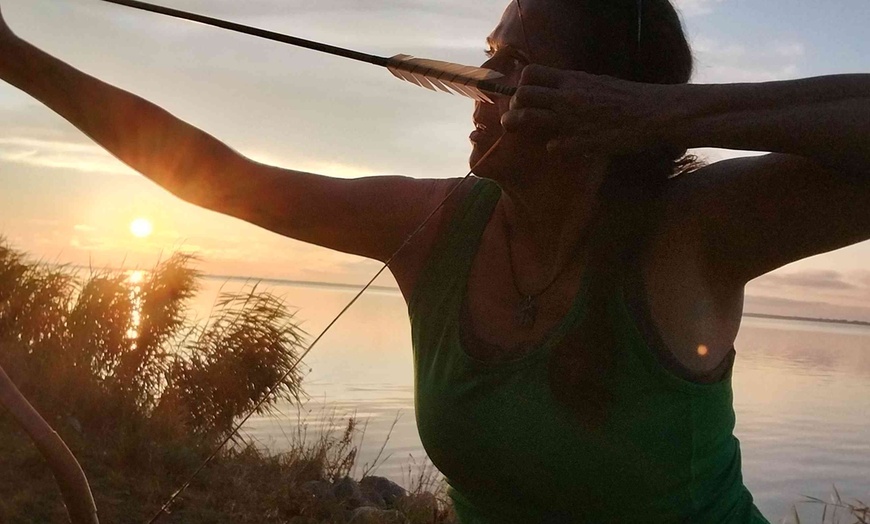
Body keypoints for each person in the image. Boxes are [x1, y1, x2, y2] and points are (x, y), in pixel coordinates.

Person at [1, 0, 868, 522]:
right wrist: (15, 56)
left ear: (606, 99)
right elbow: (223, 180)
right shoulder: (434, 222)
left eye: (515, 67)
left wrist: (670, 116)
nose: (479, 82)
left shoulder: (695, 232)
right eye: (490, 55)